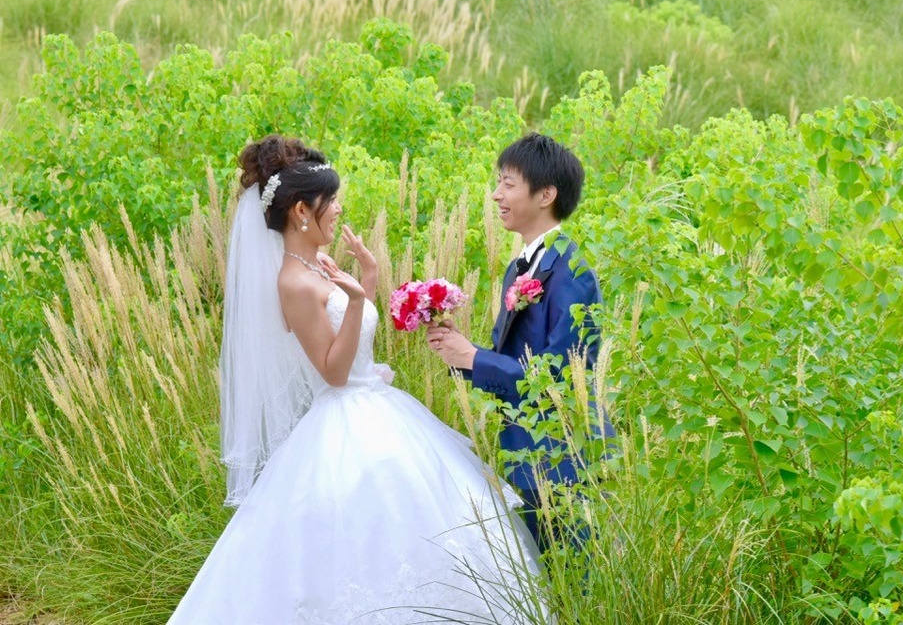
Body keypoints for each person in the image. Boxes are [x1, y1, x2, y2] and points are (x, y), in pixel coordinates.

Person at [168, 136, 544, 624]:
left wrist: (367, 275)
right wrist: (355, 297)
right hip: (345, 418)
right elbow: (334, 370)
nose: (339, 207)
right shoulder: (294, 281)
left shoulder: (315, 266)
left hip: (379, 408)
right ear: (302, 211)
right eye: (332, 200)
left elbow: (358, 334)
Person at [426, 133, 611, 552]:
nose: (497, 195)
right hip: (523, 451)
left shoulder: (573, 271)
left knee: (569, 581)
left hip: (562, 457)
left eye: (509, 184)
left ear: (546, 194)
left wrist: (476, 358)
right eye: (499, 183)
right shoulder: (520, 268)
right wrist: (461, 353)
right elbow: (516, 361)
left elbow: (560, 377)